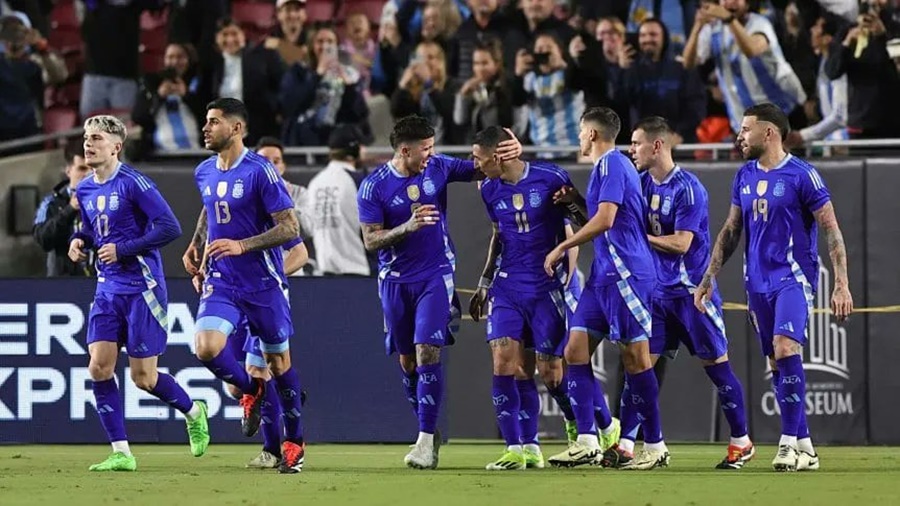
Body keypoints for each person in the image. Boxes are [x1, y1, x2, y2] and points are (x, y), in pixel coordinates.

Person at [356, 115, 521, 469]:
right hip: (395, 280)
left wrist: (511, 149)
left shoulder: (440, 167)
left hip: (436, 275)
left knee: (427, 350)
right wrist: (408, 225)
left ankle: (425, 441)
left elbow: (483, 167)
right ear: (404, 150)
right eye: (425, 149)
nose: (431, 155)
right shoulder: (374, 187)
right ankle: (427, 429)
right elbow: (371, 239)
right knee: (408, 360)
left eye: (433, 147)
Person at [696, 102, 853, 472]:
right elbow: (732, 229)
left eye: (746, 129)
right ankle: (805, 446)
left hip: (793, 279)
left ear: (769, 132)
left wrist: (841, 284)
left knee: (786, 348)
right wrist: (708, 277)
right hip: (757, 284)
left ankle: (785, 444)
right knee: (776, 363)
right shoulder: (744, 175)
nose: (739, 135)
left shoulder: (803, 175)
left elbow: (831, 229)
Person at [68, 115, 209, 472]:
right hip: (106, 288)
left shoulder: (135, 184)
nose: (88, 144)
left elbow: (170, 227)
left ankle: (193, 410)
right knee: (99, 367)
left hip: (142, 288)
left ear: (116, 146)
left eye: (96, 138)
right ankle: (121, 452)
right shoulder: (84, 188)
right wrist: (78, 240)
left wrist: (124, 249)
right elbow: (91, 227)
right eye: (86, 137)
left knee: (142, 378)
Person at [182, 98, 307, 474]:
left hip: (264, 283)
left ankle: (294, 442)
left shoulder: (260, 171)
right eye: (206, 121)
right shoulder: (204, 170)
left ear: (236, 128)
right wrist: (197, 244)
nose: (205, 128)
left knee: (278, 363)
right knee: (206, 348)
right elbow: (211, 207)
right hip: (222, 281)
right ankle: (252, 392)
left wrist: (242, 245)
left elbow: (290, 229)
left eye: (214, 121)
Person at [622, 116, 753, 470]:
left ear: (658, 145)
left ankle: (741, 440)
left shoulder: (689, 188)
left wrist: (638, 238)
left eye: (636, 143)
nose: (631, 150)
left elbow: (681, 244)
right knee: (638, 365)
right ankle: (636, 444)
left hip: (692, 294)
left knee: (717, 368)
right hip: (656, 296)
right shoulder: (638, 185)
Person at [543, 107, 667, 470]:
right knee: (574, 350)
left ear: (593, 134)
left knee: (636, 360)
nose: (580, 138)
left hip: (627, 273)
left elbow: (607, 219)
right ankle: (586, 440)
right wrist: (575, 203)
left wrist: (564, 246)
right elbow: (604, 218)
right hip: (603, 275)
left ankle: (656, 445)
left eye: (582, 132)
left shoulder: (612, 163)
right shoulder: (605, 168)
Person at [467, 126, 583, 470]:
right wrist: (485, 282)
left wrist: (567, 276)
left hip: (546, 287)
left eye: (478, 158)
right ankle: (518, 448)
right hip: (507, 287)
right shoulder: (487, 188)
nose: (475, 165)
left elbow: (578, 225)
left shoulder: (551, 178)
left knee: (551, 373)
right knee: (506, 364)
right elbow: (497, 235)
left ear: (498, 156)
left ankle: (577, 426)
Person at [304, 124, 371, 276]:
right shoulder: (359, 182)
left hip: (325, 271)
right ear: (354, 149)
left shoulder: (315, 182)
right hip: (359, 270)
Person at [34, 143, 94, 276]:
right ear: (68, 171)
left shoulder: (108, 201)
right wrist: (70, 209)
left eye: (93, 169)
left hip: (99, 284)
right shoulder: (51, 203)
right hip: (62, 284)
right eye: (82, 168)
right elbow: (43, 239)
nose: (88, 174)